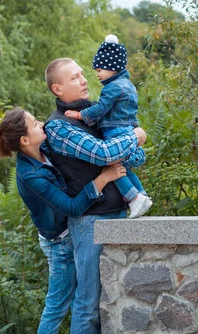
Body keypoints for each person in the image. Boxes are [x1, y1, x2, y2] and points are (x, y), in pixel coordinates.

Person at [0, 107, 128, 334]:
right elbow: (72, 207)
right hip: (58, 241)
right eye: (35, 123)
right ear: (25, 140)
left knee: (76, 302)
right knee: (58, 304)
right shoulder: (29, 174)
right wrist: (104, 177)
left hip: (68, 232)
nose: (41, 123)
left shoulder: (45, 148)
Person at [43, 57, 147, 334]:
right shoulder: (58, 127)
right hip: (90, 222)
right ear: (58, 88)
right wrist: (134, 135)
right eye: (75, 77)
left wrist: (129, 141)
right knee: (88, 302)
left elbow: (136, 158)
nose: (84, 79)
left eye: (83, 74)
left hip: (119, 216)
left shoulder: (95, 113)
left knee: (116, 300)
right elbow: (105, 154)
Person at [64, 34, 152, 219]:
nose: (96, 74)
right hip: (128, 129)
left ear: (112, 67)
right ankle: (142, 195)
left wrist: (81, 115)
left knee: (113, 164)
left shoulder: (112, 87)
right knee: (125, 169)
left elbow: (102, 108)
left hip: (115, 131)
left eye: (99, 69)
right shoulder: (128, 85)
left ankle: (134, 198)